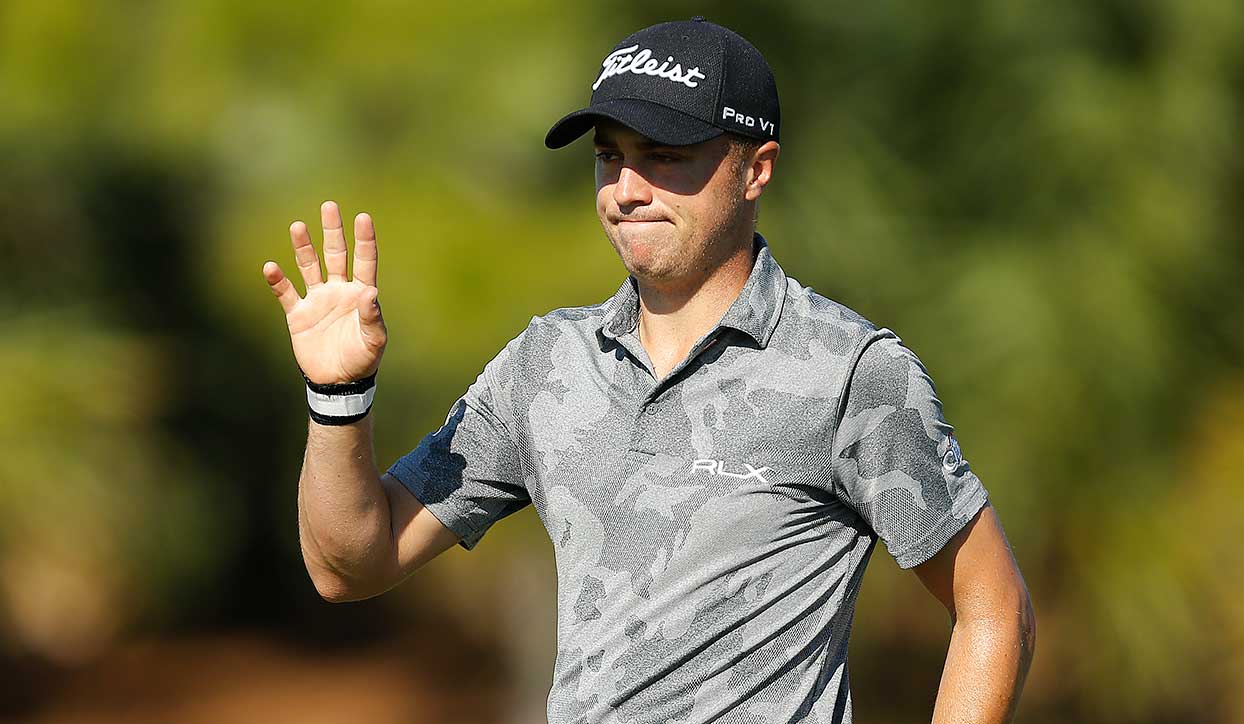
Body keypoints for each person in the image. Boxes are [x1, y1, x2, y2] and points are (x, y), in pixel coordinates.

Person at [262, 16, 1035, 724]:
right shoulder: (545, 366)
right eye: (610, 158)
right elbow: (351, 566)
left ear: (756, 168)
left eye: (664, 157)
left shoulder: (849, 373)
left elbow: (993, 609)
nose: (626, 191)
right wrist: (339, 397)